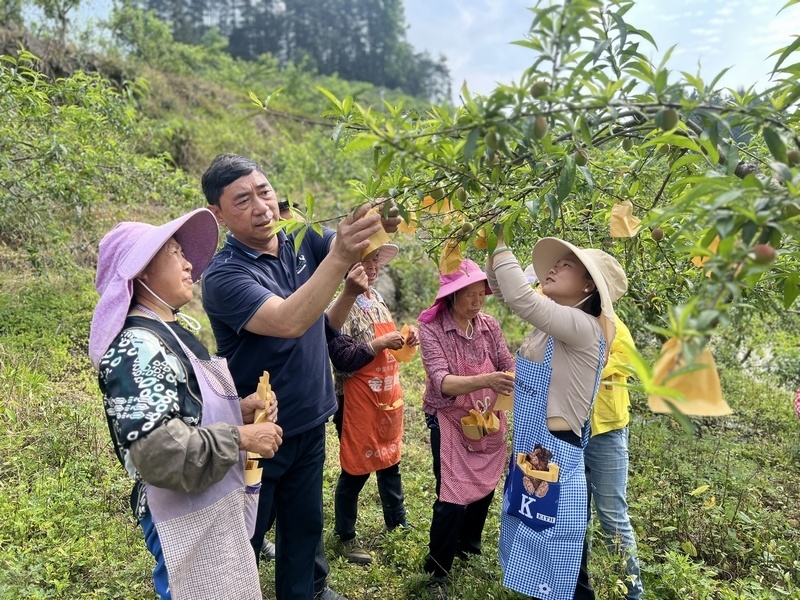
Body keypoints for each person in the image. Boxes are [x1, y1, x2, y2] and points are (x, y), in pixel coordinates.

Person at [199, 154, 400, 600]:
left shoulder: (301, 236)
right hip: (257, 428)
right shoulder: (225, 275)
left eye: (265, 191)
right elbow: (289, 319)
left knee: (304, 524)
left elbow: (357, 254)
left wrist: (381, 220)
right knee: (247, 534)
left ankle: (307, 590)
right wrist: (341, 257)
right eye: (243, 200)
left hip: (310, 417)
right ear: (218, 214)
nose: (262, 207)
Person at [88, 208, 283, 600]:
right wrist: (241, 437)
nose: (189, 263)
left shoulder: (166, 333)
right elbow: (160, 452)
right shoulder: (138, 347)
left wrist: (239, 411)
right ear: (142, 270)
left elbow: (185, 411)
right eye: (175, 253)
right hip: (183, 513)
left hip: (206, 503)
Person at [487, 237, 627, 600]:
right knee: (538, 539)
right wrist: (492, 245)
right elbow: (506, 291)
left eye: (565, 265)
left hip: (556, 456)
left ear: (588, 285)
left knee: (563, 559)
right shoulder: (553, 326)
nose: (552, 268)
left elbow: (521, 298)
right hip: (535, 452)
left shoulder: (583, 328)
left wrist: (504, 242)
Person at [417, 258, 516, 600]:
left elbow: (507, 362)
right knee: (452, 494)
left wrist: (508, 378)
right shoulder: (431, 329)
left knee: (486, 485)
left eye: (481, 294)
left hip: (487, 416)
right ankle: (438, 568)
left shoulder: (488, 326)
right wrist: (487, 379)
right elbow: (442, 382)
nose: (477, 302)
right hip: (448, 417)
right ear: (452, 296)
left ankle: (469, 547)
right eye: (469, 295)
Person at [330, 244, 418, 565]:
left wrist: (405, 341)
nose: (373, 268)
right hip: (356, 403)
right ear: (349, 267)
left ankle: (397, 523)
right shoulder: (341, 305)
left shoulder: (378, 300)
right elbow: (341, 358)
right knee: (356, 469)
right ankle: (345, 536)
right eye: (366, 262)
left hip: (385, 400)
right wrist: (381, 342)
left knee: (390, 462)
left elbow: (389, 349)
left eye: (376, 262)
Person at [584, 315, 644, 599]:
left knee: (612, 516)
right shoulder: (558, 312)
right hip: (570, 427)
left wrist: (593, 366)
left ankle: (632, 593)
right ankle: (577, 587)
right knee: (575, 515)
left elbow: (630, 360)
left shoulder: (610, 321)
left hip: (607, 429)